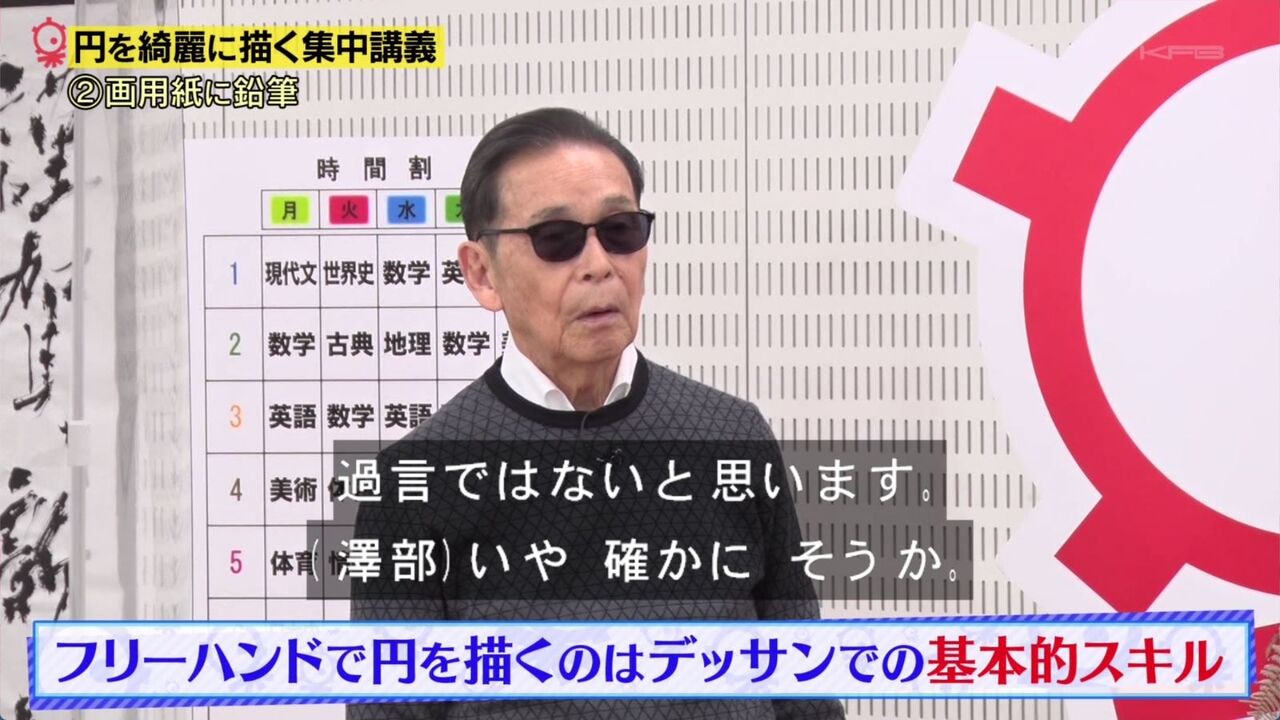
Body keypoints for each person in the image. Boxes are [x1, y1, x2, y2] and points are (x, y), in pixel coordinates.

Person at [347, 107, 844, 720]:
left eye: (619, 230)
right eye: (556, 238)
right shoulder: (417, 480)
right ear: (481, 272)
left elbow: (804, 687)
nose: (599, 265)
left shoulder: (731, 437)